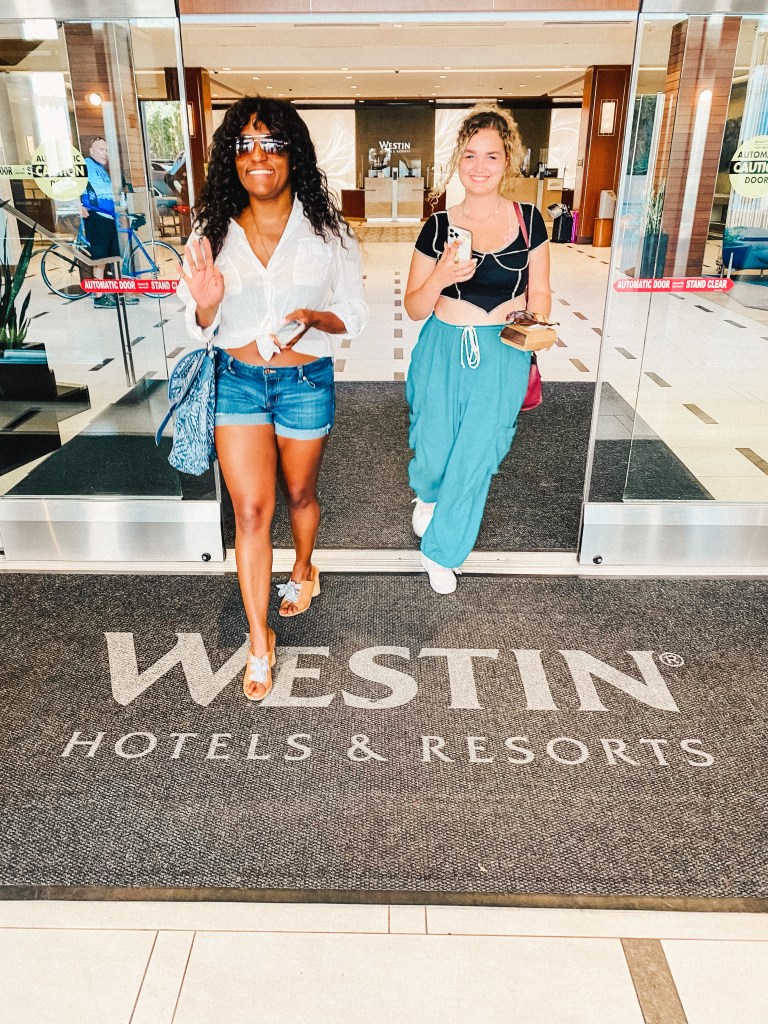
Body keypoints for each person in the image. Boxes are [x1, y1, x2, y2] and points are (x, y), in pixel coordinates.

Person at [177, 97, 367, 701]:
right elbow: (197, 323)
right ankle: (260, 640)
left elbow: (356, 311)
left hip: (304, 382)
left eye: (272, 144)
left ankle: (305, 566)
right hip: (236, 381)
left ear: (294, 155)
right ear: (233, 157)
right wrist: (206, 303)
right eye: (245, 145)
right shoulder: (211, 232)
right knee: (252, 514)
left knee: (300, 493)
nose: (257, 156)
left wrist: (316, 317)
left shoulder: (328, 232)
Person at [404, 106, 552, 594]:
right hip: (443, 349)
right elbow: (414, 307)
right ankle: (428, 495)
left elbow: (540, 289)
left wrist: (531, 319)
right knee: (433, 451)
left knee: (477, 454)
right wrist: (441, 276)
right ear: (458, 160)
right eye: (470, 155)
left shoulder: (529, 221)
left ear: (507, 160)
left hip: (502, 352)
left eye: (491, 155)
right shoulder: (437, 225)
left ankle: (443, 551)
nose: (480, 166)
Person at [80, 137, 136, 308]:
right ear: (91, 151)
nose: (105, 153)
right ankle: (99, 297)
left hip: (109, 218)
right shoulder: (85, 165)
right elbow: (71, 185)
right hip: (96, 217)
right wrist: (79, 205)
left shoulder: (101, 169)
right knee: (100, 259)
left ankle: (117, 292)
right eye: (101, 150)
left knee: (113, 257)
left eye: (106, 150)